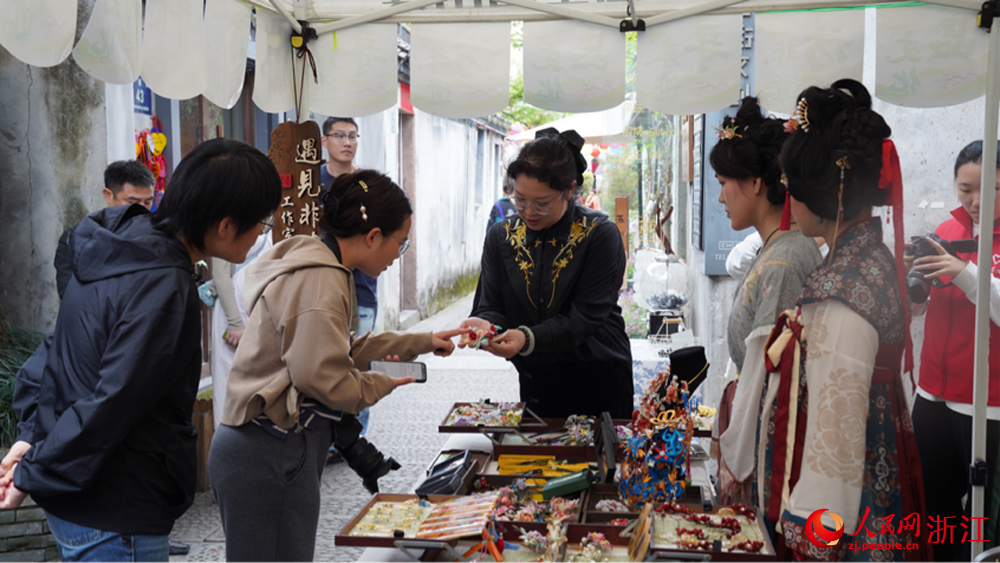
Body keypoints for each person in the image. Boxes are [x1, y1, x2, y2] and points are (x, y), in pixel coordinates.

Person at [0, 139, 281, 562]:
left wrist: (31, 440)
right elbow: (115, 398)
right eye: (261, 221)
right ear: (225, 225)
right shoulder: (164, 283)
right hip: (117, 507)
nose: (264, 231)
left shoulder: (117, 245)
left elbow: (56, 354)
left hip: (84, 498)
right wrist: (33, 468)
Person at [208, 170, 464, 562]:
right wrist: (379, 385)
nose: (400, 254)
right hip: (268, 452)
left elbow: (340, 347)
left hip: (261, 448)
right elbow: (322, 376)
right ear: (374, 236)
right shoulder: (321, 277)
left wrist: (424, 341)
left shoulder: (320, 260)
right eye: (401, 242)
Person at [752, 78, 929, 561]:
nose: (788, 194)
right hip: (881, 461)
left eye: (793, 184)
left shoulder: (840, 292)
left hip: (853, 500)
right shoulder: (866, 261)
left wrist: (815, 541)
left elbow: (835, 444)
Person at [462, 128, 633, 419]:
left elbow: (586, 317)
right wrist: (484, 324)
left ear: (569, 189)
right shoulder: (501, 235)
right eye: (520, 200)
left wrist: (527, 339)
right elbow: (491, 304)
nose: (528, 212)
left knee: (599, 462)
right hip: (536, 379)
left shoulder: (599, 235)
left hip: (598, 375)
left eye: (542, 203)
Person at [711, 97, 824, 506]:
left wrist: (737, 463)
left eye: (723, 182)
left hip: (771, 454)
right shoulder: (774, 248)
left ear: (756, 182)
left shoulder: (783, 260)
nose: (721, 197)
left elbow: (770, 379)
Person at [908, 139, 1000, 561]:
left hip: (986, 406)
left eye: (991, 189)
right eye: (966, 190)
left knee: (984, 522)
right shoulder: (945, 233)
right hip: (932, 395)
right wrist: (914, 296)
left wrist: (965, 273)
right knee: (934, 510)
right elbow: (925, 306)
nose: (977, 201)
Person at [320, 116, 377, 452]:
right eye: (340, 135)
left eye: (353, 136)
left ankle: (356, 437)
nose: (347, 141)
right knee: (328, 360)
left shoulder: (368, 184)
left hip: (362, 288)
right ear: (325, 140)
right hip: (323, 285)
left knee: (359, 359)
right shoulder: (311, 184)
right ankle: (327, 436)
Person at [54, 160, 156, 299]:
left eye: (147, 202)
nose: (141, 210)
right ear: (108, 195)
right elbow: (70, 297)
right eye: (132, 203)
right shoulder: (76, 239)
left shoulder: (156, 239)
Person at [209, 232, 273, 429]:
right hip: (234, 313)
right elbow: (221, 274)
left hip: (262, 312)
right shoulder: (226, 221)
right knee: (228, 385)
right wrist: (235, 322)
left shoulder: (274, 219)